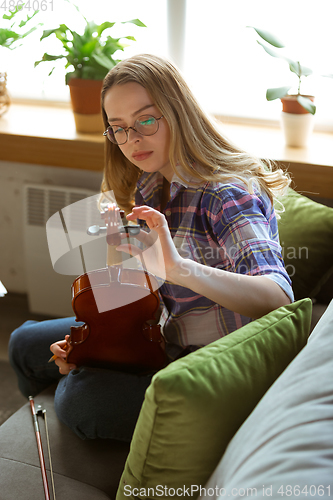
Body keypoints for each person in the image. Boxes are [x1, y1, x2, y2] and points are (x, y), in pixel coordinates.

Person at [9, 54, 293, 442]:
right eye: (118, 128)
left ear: (178, 113)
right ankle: (80, 383)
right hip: (163, 337)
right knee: (24, 343)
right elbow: (132, 299)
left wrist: (178, 269)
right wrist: (90, 344)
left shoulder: (228, 193)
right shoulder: (151, 184)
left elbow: (278, 298)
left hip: (209, 367)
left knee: (83, 403)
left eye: (145, 120)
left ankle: (79, 391)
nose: (132, 140)